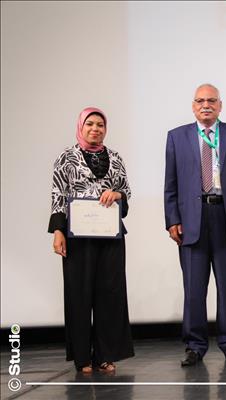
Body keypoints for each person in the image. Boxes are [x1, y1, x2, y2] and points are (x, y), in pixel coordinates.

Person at [164, 84, 226, 365]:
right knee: (194, 288)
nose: (206, 105)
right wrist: (172, 219)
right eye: (200, 101)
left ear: (220, 105)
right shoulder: (176, 137)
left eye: (211, 101)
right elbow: (170, 184)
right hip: (191, 220)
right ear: (193, 106)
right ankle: (195, 345)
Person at [49, 107, 134, 373]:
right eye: (90, 124)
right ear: (81, 126)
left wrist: (117, 195)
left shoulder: (116, 158)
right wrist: (58, 232)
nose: (95, 129)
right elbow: (58, 195)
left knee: (110, 293)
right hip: (78, 236)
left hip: (110, 235)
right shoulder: (66, 158)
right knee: (79, 294)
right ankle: (83, 357)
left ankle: (105, 355)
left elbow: (126, 192)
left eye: (100, 125)